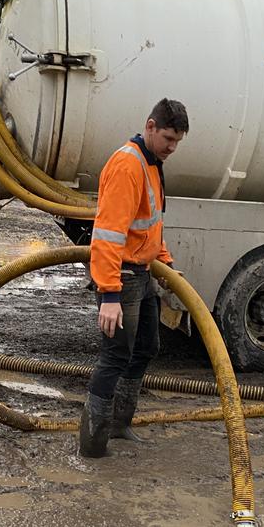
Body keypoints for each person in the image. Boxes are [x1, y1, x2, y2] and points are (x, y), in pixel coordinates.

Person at [79, 97, 189, 458]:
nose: (172, 148)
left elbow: (149, 223)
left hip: (142, 273)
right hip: (121, 278)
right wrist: (109, 294)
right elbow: (109, 233)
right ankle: (93, 443)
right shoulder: (128, 165)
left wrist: (166, 265)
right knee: (115, 355)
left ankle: (120, 424)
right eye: (168, 138)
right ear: (150, 126)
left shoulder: (152, 164)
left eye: (178, 141)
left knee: (146, 348)